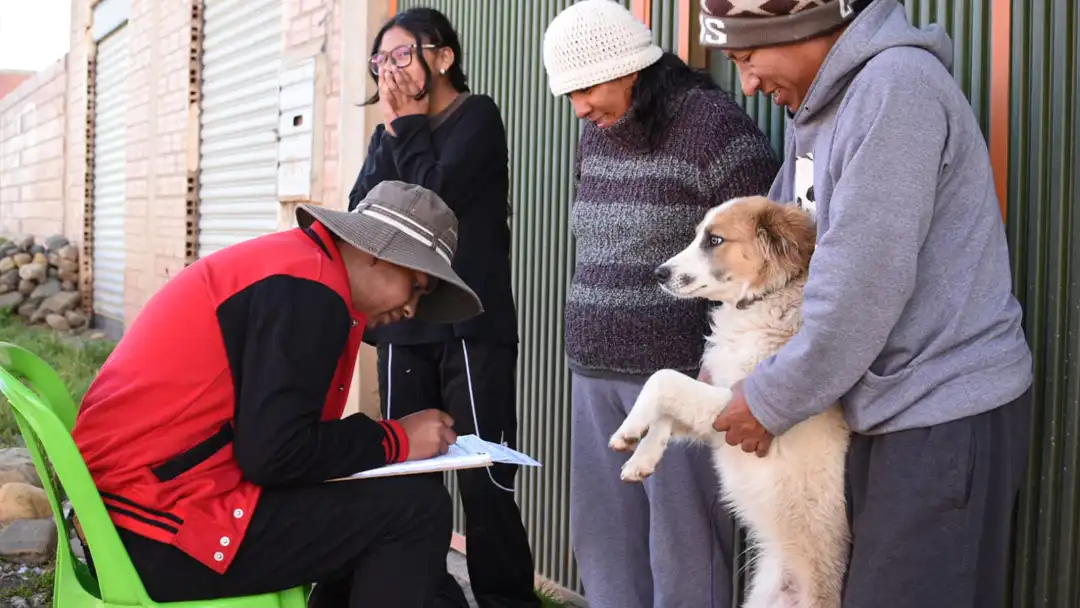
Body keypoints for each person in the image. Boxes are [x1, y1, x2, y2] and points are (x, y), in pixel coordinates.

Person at [699, 1, 1034, 606]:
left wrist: (772, 395)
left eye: (748, 57)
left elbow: (860, 283)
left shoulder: (895, 91)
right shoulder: (822, 109)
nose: (747, 83)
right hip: (880, 405)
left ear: (798, 27)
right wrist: (733, 365)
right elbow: (792, 266)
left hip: (940, 409)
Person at [71, 181, 485, 608]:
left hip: (126, 512)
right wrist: (395, 439)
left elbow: (278, 445)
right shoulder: (309, 292)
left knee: (382, 510)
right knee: (416, 510)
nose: (412, 310)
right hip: (157, 529)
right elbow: (275, 454)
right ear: (377, 251)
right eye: (415, 286)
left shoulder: (297, 269)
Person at [541, 1, 780, 606]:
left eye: (587, 89)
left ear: (630, 68)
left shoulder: (712, 129)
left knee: (685, 552)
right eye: (568, 95)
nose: (580, 108)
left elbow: (768, 261)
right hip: (594, 372)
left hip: (679, 378)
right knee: (606, 544)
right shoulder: (595, 134)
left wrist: (732, 367)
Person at [346, 8, 539, 608]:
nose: (390, 71)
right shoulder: (391, 133)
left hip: (470, 324)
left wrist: (406, 128)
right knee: (413, 479)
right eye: (380, 61)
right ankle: (425, 598)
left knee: (485, 479)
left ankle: (507, 599)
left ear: (443, 57)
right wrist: (396, 132)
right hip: (406, 328)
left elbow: (436, 200)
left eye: (402, 55)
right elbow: (364, 211)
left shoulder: (477, 117)